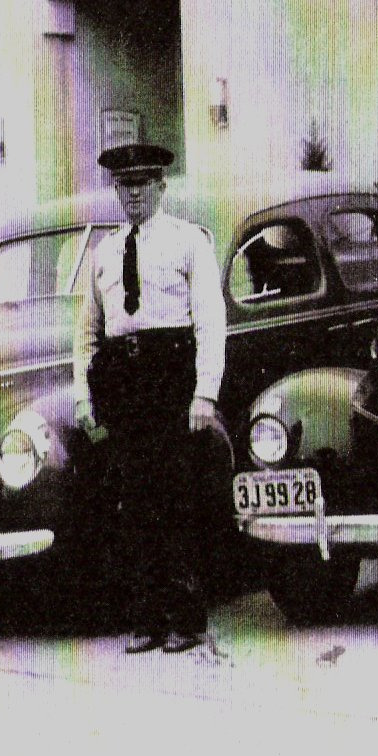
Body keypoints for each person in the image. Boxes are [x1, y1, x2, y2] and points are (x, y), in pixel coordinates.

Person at [72, 143, 227, 654]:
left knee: (176, 498)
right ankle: (145, 618)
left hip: (172, 378)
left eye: (143, 184)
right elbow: (88, 335)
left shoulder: (189, 243)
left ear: (162, 186)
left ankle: (185, 618)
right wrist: (84, 398)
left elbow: (210, 323)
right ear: (116, 191)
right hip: (125, 383)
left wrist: (204, 392)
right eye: (124, 185)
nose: (133, 194)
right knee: (133, 502)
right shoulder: (102, 254)